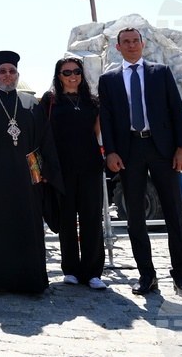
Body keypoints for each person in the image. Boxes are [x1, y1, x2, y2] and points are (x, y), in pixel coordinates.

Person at [98, 26, 182, 296]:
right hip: (129, 151)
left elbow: (176, 110)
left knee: (174, 213)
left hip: (162, 149)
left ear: (143, 44)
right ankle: (146, 276)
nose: (130, 45)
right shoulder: (109, 80)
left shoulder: (160, 72)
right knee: (135, 217)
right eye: (125, 42)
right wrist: (111, 152)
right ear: (118, 48)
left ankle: (181, 275)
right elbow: (106, 119)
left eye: (134, 41)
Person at [0, 50, 62, 294]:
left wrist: (46, 171)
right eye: (2, 71)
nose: (7, 76)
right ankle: (3, 283)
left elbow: (45, 140)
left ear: (18, 74)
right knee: (1, 232)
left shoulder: (31, 103)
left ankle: (33, 282)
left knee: (30, 228)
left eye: (12, 71)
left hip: (29, 182)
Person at [39, 57, 106, 290]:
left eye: (76, 71)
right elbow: (41, 135)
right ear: (59, 76)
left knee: (92, 219)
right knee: (66, 219)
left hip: (90, 166)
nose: (72, 76)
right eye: (66, 72)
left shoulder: (92, 101)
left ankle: (93, 272)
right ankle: (71, 270)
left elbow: (98, 133)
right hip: (61, 169)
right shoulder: (50, 100)